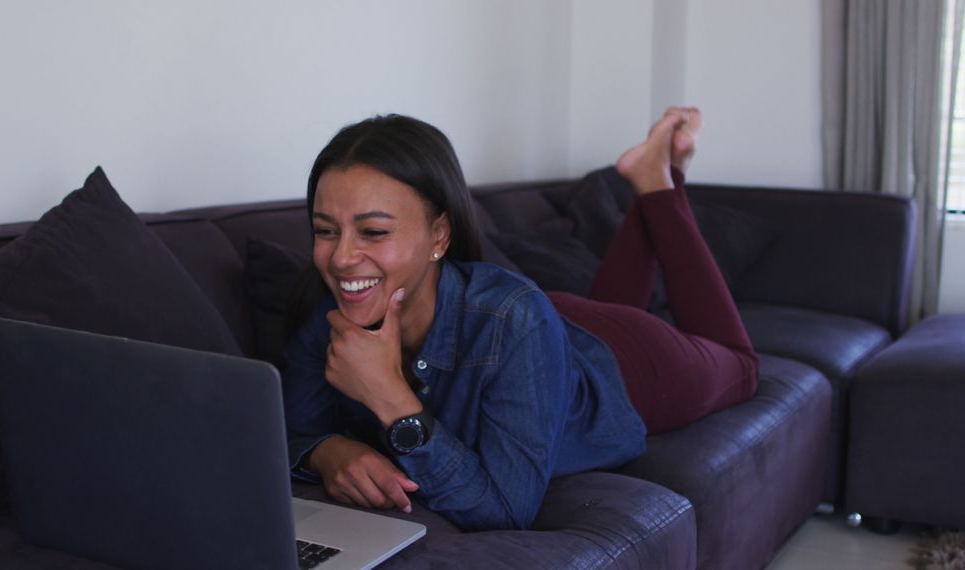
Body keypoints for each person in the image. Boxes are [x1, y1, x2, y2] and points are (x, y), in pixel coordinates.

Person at [281, 109, 759, 531]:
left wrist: (390, 399)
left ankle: (661, 180)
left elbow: (506, 511)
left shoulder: (514, 319)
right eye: (326, 230)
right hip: (546, 322)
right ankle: (654, 171)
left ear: (439, 236)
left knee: (741, 366)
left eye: (373, 231)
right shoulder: (328, 322)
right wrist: (327, 453)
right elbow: (284, 430)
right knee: (584, 310)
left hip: (625, 363)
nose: (342, 258)